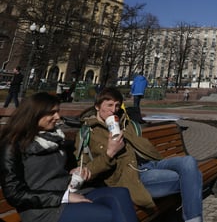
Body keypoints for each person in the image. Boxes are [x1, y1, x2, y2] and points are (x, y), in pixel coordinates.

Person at [0, 92, 138, 222]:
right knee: (109, 215)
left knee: (121, 194)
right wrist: (64, 197)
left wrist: (77, 171)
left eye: (57, 111)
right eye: (52, 113)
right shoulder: (13, 145)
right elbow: (14, 194)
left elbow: (63, 169)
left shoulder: (55, 138)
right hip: (44, 208)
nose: (58, 117)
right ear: (34, 115)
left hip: (69, 191)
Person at [77, 87, 203, 222]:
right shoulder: (88, 133)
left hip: (150, 164)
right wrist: (110, 152)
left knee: (189, 161)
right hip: (134, 177)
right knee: (193, 176)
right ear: (97, 106)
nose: (114, 110)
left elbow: (145, 148)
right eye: (109, 105)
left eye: (117, 105)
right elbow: (85, 171)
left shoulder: (126, 123)